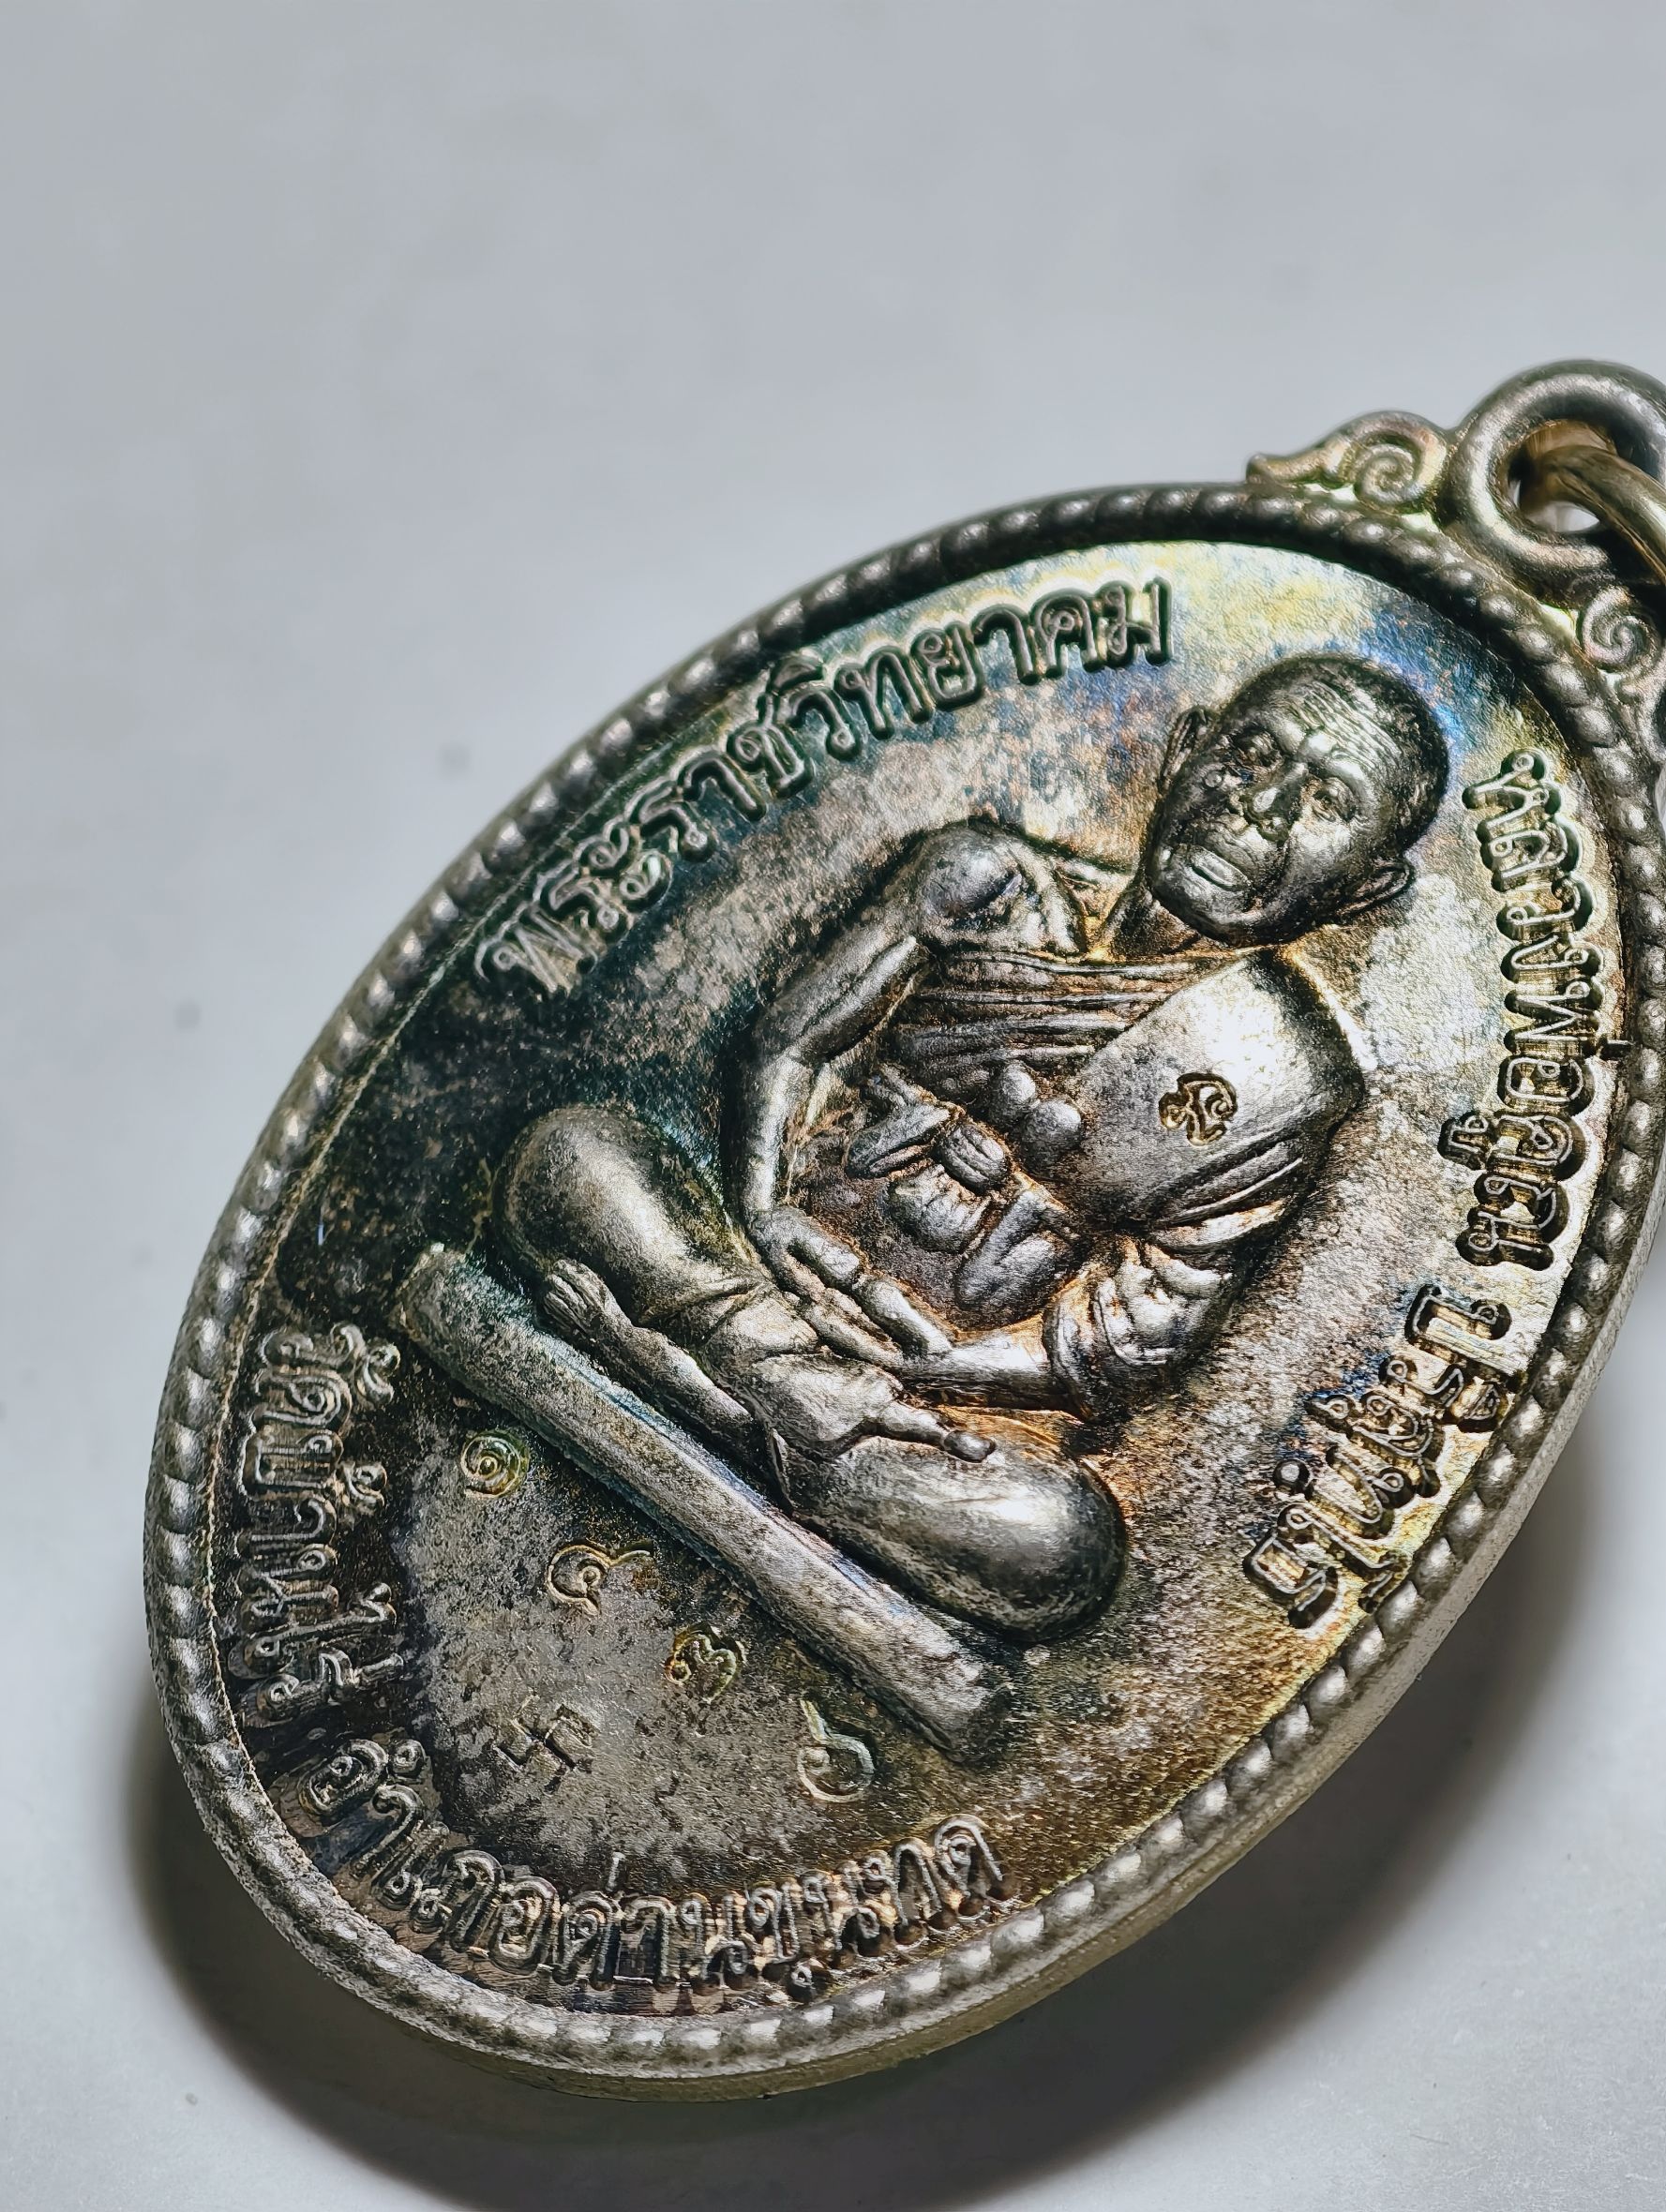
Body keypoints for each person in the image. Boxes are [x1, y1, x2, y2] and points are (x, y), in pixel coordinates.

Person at [496, 654, 1448, 1642]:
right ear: (1183, 748)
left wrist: (937, 1359)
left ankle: (701, 1378)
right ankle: (778, 1404)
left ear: (1365, 884)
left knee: (1059, 1545)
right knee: (574, 1157)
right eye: (1251, 755)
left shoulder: (1285, 1075)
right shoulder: (984, 881)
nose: (1261, 811)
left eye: (1326, 801)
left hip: (914, 1393)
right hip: (753, 1268)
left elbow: (1134, 1328)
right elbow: (797, 1044)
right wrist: (764, 1207)